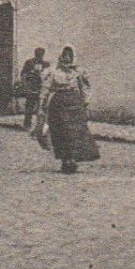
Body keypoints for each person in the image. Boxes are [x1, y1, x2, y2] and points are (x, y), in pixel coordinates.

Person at [35, 46, 99, 174]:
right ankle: (65, 160)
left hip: (75, 105)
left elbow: (85, 88)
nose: (67, 58)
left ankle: (73, 159)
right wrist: (42, 104)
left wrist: (85, 103)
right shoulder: (53, 71)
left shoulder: (79, 72)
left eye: (69, 55)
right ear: (61, 56)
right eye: (65, 55)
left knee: (74, 133)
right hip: (58, 104)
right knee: (61, 133)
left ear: (73, 56)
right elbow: (45, 89)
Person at [19, 47, 48, 129]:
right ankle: (27, 124)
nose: (39, 55)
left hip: (41, 88)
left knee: (41, 108)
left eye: (41, 54)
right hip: (31, 87)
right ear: (35, 54)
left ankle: (40, 126)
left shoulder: (45, 64)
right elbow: (23, 74)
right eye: (38, 54)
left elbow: (49, 76)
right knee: (29, 107)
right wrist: (26, 85)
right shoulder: (29, 63)